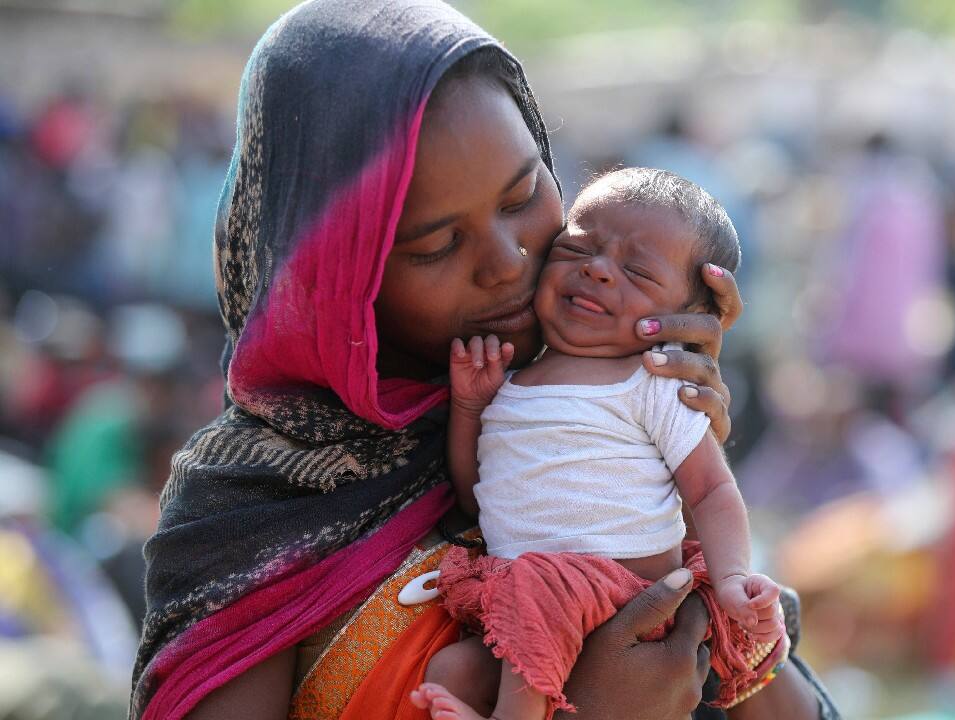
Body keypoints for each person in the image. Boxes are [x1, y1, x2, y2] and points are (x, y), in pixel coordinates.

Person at [130, 2, 840, 719]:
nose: (508, 264)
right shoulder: (258, 512)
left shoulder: (609, 391)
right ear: (329, 280)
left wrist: (672, 472)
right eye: (437, 246)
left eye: (525, 192)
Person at [410, 168, 785, 720]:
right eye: (576, 247)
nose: (599, 271)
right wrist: (470, 408)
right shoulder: (512, 388)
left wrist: (732, 579)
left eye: (637, 271)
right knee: (451, 672)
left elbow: (710, 491)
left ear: (684, 317)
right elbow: (477, 495)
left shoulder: (653, 383)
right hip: (531, 598)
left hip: (622, 592)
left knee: (537, 594)